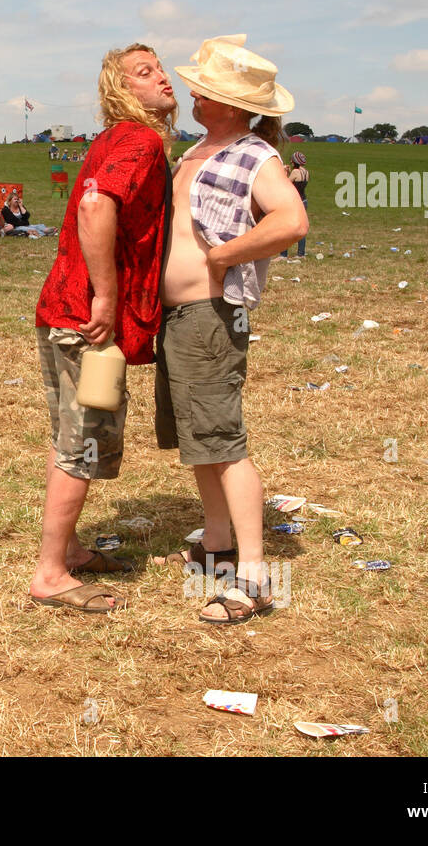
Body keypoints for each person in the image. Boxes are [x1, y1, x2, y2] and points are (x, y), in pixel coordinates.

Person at [156, 34, 308, 624]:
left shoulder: (255, 156)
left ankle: (253, 578)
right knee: (199, 440)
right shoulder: (197, 149)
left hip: (211, 316)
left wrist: (222, 258)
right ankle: (216, 544)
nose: (194, 92)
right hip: (178, 318)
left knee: (223, 443)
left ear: (233, 101)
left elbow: (292, 220)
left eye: (206, 88)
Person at [29, 42, 177, 614]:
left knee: (69, 435)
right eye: (145, 73)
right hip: (88, 319)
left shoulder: (114, 141)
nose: (163, 79)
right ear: (122, 91)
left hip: (63, 309)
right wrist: (109, 298)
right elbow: (95, 208)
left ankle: (68, 549)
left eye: (160, 68)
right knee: (83, 439)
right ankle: (50, 574)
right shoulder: (137, 141)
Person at [281, 151, 308, 257]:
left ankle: (283, 255)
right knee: (301, 228)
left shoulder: (295, 172)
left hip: (294, 202)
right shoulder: (305, 172)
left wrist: (285, 172)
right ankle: (301, 253)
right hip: (304, 201)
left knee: (286, 228)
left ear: (293, 161)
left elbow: (285, 183)